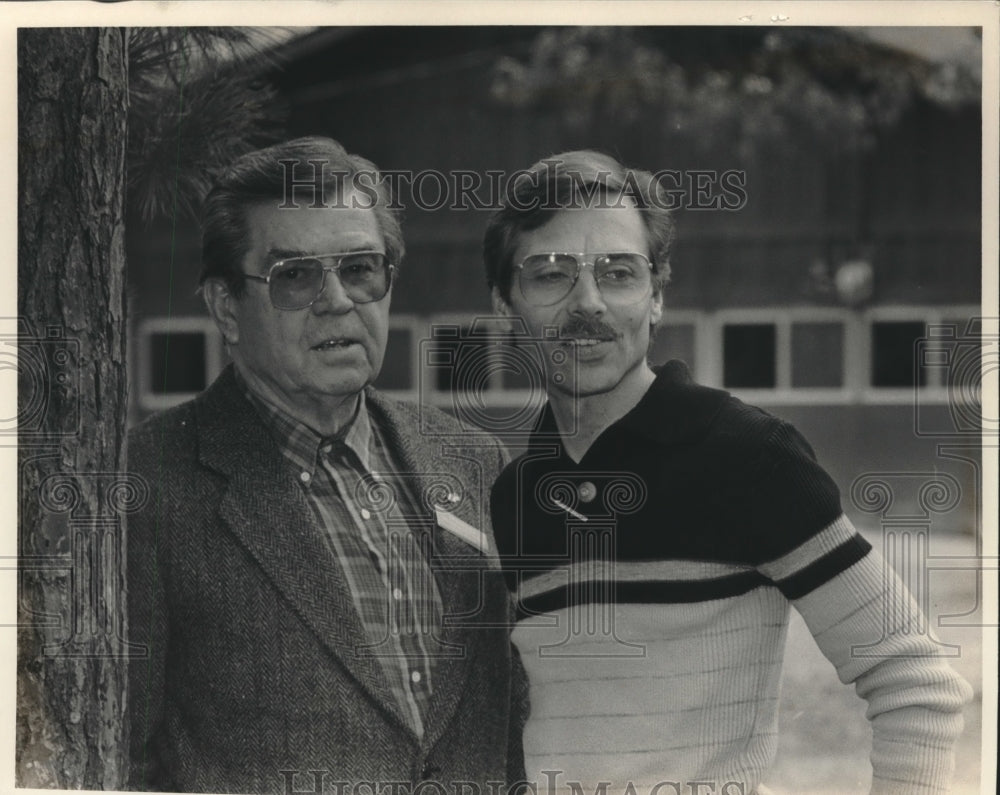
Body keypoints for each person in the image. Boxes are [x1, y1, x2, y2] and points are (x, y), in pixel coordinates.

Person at [484, 150, 972, 794]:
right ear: (504, 304)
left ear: (656, 297)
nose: (590, 304)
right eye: (550, 276)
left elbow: (915, 681)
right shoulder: (514, 496)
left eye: (620, 273)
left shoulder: (749, 457)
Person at [127, 137, 524, 793]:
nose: (337, 299)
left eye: (360, 268)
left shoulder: (471, 458)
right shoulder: (146, 483)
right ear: (226, 306)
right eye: (296, 275)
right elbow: (120, 760)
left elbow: (506, 716)